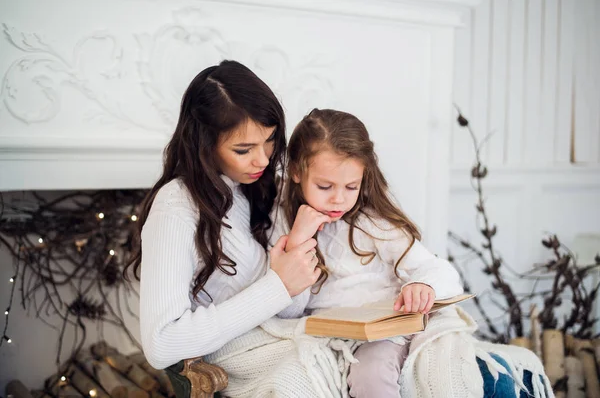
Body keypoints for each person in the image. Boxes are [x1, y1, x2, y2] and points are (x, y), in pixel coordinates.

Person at [124, 60, 321, 370]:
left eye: (269, 142)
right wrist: (277, 286)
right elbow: (161, 345)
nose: (263, 160)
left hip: (283, 345)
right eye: (243, 150)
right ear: (204, 145)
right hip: (238, 364)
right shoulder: (175, 207)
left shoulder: (256, 188)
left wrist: (292, 273)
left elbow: (289, 310)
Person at [273, 108, 464, 397]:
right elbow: (288, 311)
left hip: (382, 332)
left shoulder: (372, 222)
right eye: (325, 186)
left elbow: (440, 271)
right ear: (297, 172)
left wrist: (421, 285)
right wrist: (298, 242)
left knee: (371, 378)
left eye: (351, 186)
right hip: (328, 335)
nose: (339, 198)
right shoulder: (282, 226)